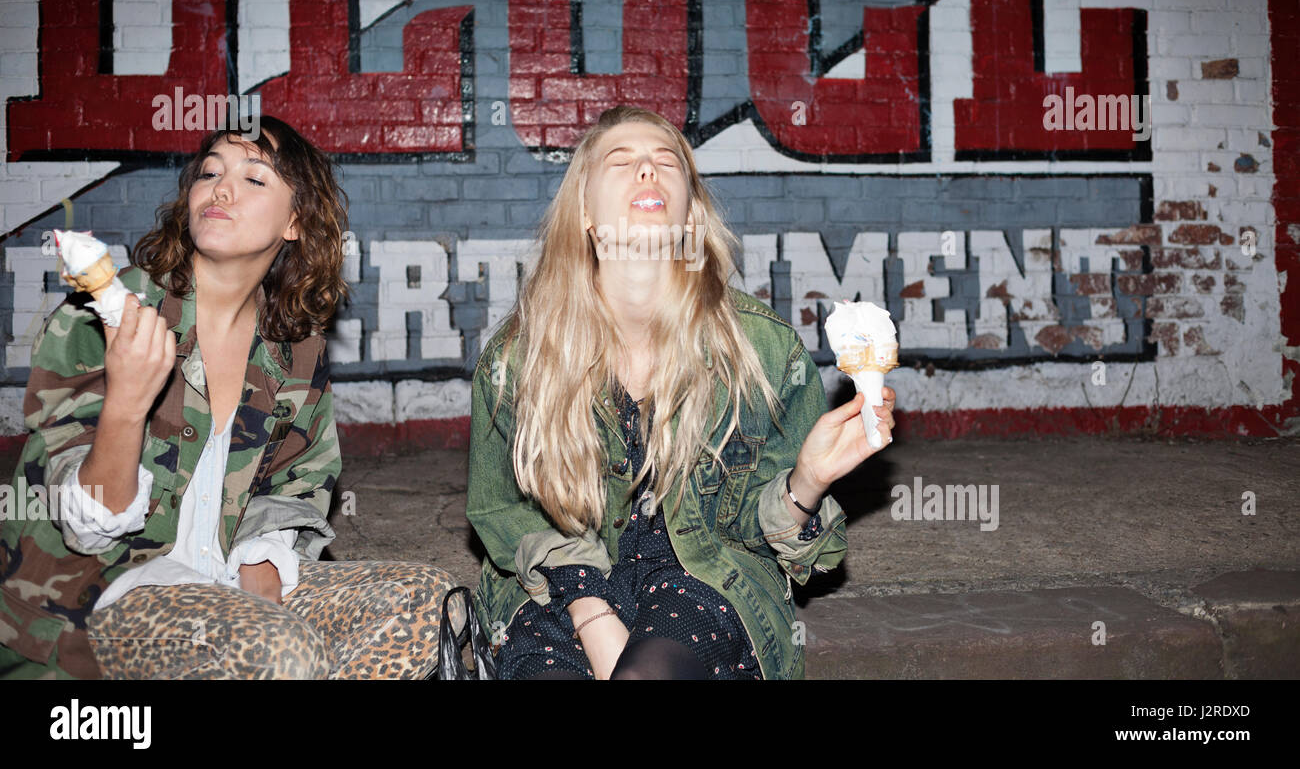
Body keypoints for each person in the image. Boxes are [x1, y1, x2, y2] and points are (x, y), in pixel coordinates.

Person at [0, 117, 455, 679]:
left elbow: (298, 479)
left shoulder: (294, 345)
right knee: (281, 652)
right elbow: (84, 526)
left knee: (429, 602)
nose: (220, 188)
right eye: (210, 171)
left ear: (295, 222)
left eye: (254, 179)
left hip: (219, 573)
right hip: (102, 595)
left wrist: (262, 561)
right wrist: (127, 403)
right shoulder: (105, 317)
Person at [466, 105, 897, 680]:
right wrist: (593, 614)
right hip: (556, 585)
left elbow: (773, 538)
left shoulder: (762, 351)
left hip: (706, 576)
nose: (648, 170)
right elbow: (502, 510)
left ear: (691, 210)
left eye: (667, 162)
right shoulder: (517, 358)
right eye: (622, 162)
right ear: (586, 212)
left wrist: (806, 484)